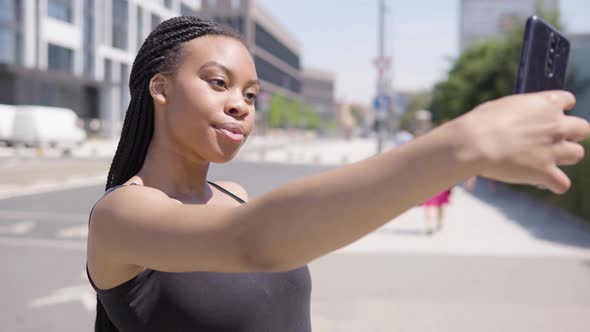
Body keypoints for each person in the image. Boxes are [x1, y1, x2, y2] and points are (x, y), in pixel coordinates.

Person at [86, 16, 590, 332]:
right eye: (219, 83)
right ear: (160, 88)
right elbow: (255, 242)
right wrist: (466, 143)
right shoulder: (121, 216)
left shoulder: (233, 194)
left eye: (251, 95)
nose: (240, 105)